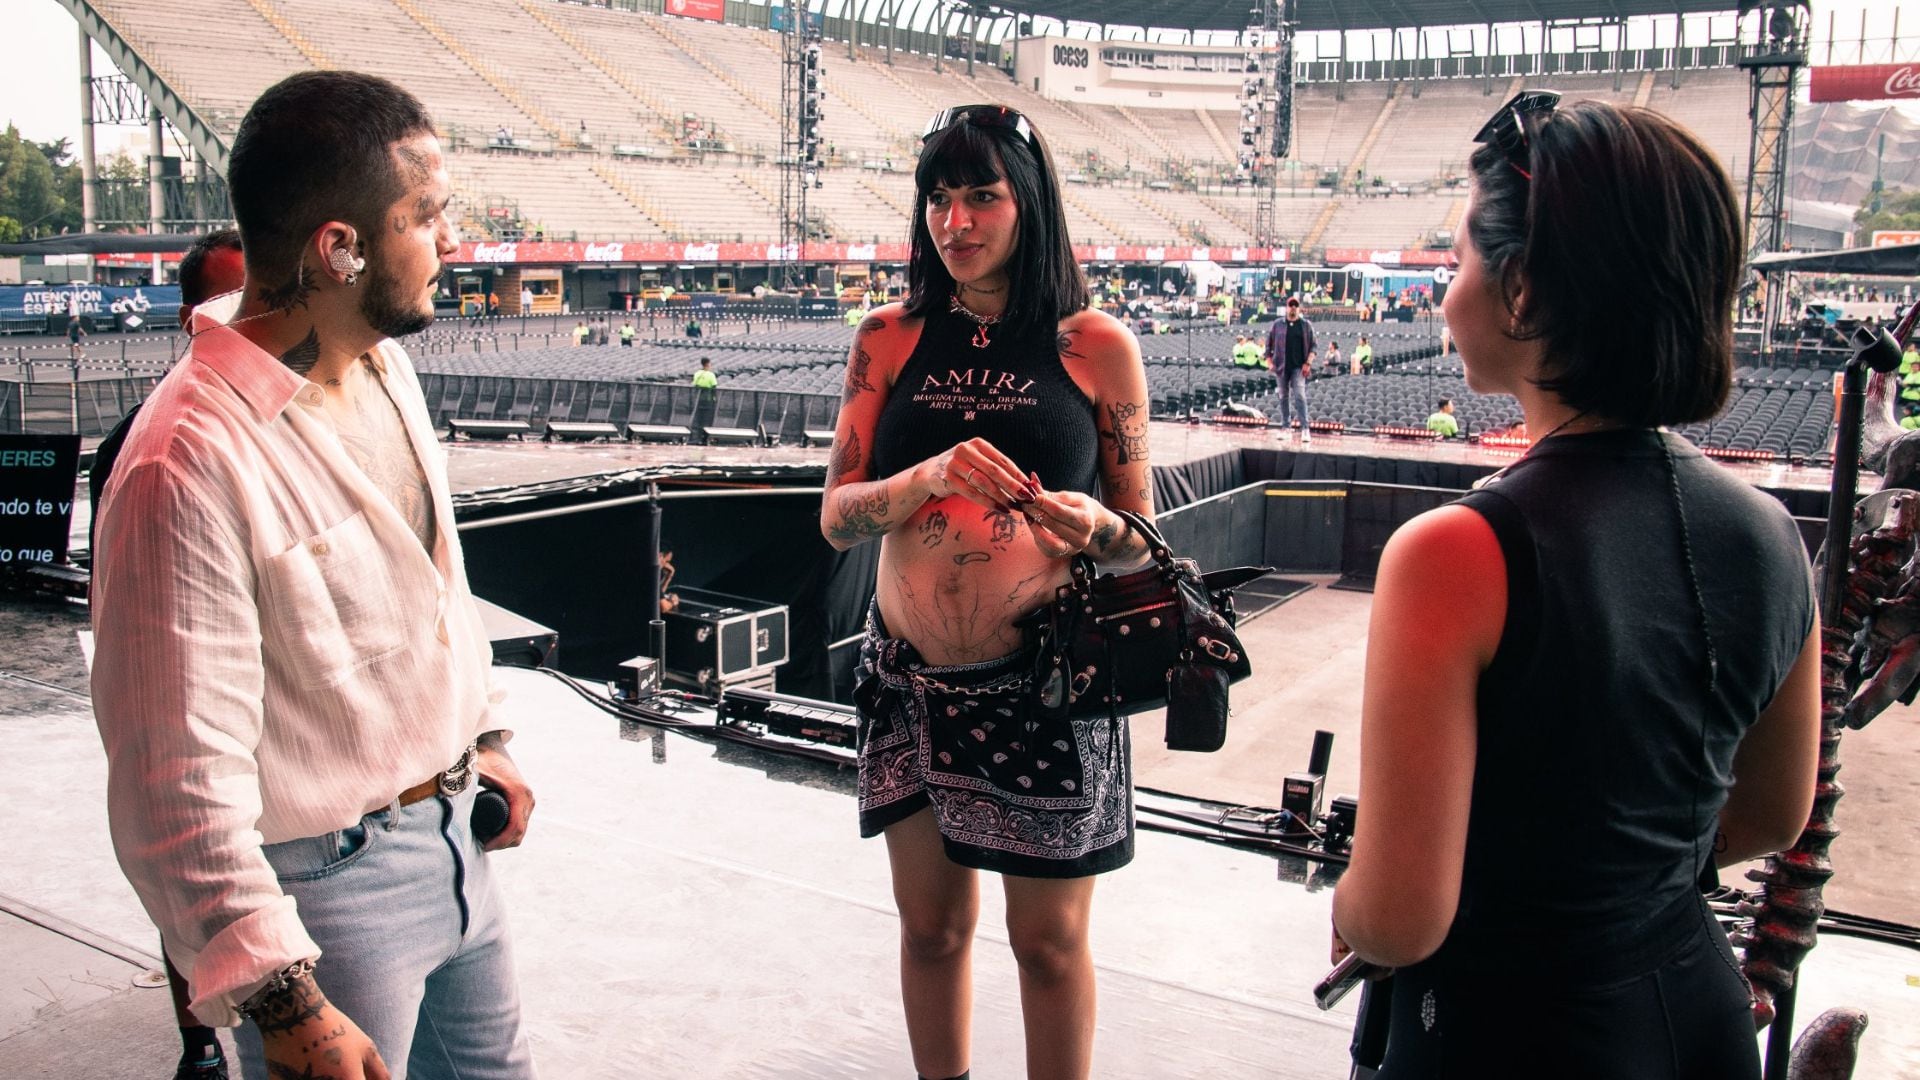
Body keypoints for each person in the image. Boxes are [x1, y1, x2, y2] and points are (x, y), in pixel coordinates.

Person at [1330, 94, 1820, 1078]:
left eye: (1461, 258)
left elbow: (1397, 918)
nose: (1443, 292)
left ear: (1522, 292)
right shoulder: (1770, 534)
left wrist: (1351, 903)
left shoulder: (1452, 553)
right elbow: (1773, 812)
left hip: (1510, 1034)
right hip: (1695, 1014)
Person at [90, 71, 537, 1080]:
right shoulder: (185, 462)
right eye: (426, 215)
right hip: (325, 892)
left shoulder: (386, 365)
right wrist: (280, 1000)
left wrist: (484, 737)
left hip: (457, 846)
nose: (453, 238)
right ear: (340, 248)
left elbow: (434, 592)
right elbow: (173, 781)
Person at [821, 103, 1154, 1080]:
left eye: (980, 197)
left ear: (1029, 203)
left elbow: (1141, 542)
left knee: (1047, 944)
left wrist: (1095, 529)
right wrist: (920, 479)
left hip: (1047, 691)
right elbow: (836, 516)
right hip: (909, 683)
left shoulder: (1096, 345)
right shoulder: (886, 337)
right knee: (930, 931)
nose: (953, 222)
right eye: (937, 198)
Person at [88, 227, 247, 1080]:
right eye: (223, 296)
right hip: (192, 711)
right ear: (187, 315)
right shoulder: (145, 441)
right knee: (195, 885)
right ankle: (203, 1044)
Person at [1263, 295, 1315, 441]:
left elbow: (1313, 346)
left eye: (1295, 305)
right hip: (1281, 366)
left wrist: (1308, 363)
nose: (1293, 308)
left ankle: (1305, 428)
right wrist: (1269, 361)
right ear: (1286, 308)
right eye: (1290, 305)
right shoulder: (1277, 324)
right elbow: (1269, 344)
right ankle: (1286, 427)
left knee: (1300, 395)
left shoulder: (1306, 325)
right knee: (1283, 396)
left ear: (1298, 308)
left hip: (1299, 367)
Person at [691, 356, 718, 443]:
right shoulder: (711, 375)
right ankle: (705, 439)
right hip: (708, 400)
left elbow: (694, 384)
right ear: (707, 364)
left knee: (698, 419)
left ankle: (696, 437)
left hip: (698, 400)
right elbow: (714, 387)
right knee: (707, 420)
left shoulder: (697, 373)